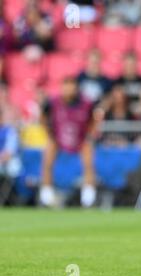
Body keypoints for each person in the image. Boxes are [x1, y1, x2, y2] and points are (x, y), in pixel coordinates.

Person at [39, 77, 103, 208]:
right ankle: (46, 194)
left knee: (89, 162)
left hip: (80, 137)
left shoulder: (86, 103)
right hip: (58, 136)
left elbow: (94, 119)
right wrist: (49, 133)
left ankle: (88, 197)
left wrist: (89, 134)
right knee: (47, 160)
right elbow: (43, 117)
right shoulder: (52, 102)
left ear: (76, 88)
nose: (68, 90)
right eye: (66, 86)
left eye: (71, 86)